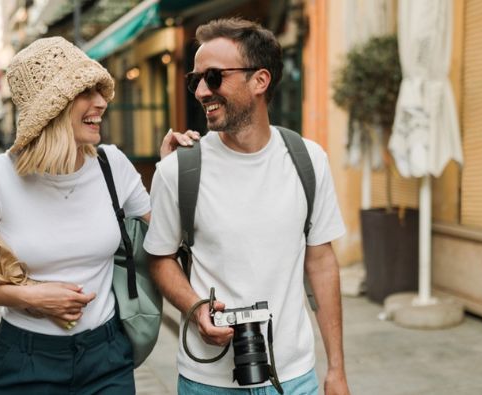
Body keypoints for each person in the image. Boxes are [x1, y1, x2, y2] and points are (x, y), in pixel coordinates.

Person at [0, 36, 197, 394]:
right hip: (26, 361)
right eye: (85, 93)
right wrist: (30, 297)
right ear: (52, 108)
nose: (101, 102)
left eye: (99, 91)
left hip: (107, 356)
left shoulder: (112, 164)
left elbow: (168, 236)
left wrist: (169, 172)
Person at [144, 18, 351, 395]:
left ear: (260, 81)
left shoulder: (309, 160)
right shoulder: (178, 169)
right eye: (196, 81)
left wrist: (336, 368)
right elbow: (159, 258)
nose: (201, 91)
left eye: (214, 77)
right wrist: (194, 309)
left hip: (294, 378)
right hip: (207, 382)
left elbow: (321, 261)